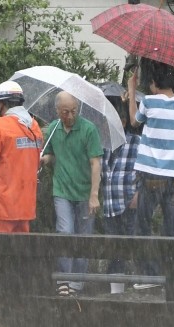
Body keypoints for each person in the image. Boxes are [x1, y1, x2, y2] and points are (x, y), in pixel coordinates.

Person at [128, 60, 174, 278]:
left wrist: (131, 91)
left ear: (154, 83)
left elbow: (133, 122)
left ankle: (150, 275)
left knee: (143, 227)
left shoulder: (149, 101)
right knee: (173, 229)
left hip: (150, 175)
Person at [39, 91, 103, 297]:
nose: (70, 116)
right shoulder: (53, 129)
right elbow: (50, 154)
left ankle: (77, 284)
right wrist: (44, 159)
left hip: (84, 192)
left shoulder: (88, 129)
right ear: (57, 111)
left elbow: (96, 163)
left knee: (83, 238)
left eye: (74, 111)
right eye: (65, 112)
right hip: (62, 190)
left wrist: (94, 194)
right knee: (64, 232)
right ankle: (64, 281)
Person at [0, 80, 43, 233]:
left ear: (0, 103)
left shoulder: (0, 124)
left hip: (3, 207)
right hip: (25, 207)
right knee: (20, 254)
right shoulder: (35, 126)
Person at [101, 95, 141, 293]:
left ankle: (138, 287)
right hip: (110, 204)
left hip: (129, 203)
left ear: (124, 122)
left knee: (131, 247)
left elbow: (145, 170)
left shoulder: (136, 142)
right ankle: (116, 292)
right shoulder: (104, 145)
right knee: (114, 249)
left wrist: (138, 195)